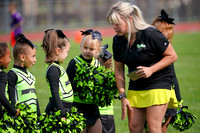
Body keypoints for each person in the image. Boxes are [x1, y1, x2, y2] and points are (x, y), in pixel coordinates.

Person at [106, 2, 178, 133]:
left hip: (159, 83)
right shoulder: (117, 40)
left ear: (130, 19)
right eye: (112, 24)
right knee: (134, 128)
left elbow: (172, 56)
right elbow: (119, 69)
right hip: (136, 86)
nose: (114, 27)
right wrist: (122, 96)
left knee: (153, 127)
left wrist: (151, 69)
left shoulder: (150, 34)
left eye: (117, 23)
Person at [152, 9, 182, 133]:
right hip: (151, 94)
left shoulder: (168, 56)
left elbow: (173, 76)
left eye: (168, 41)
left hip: (168, 95)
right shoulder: (149, 53)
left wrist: (179, 99)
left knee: (161, 128)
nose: (167, 44)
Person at [66, 29, 102, 133]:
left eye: (91, 49)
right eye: (85, 47)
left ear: (98, 50)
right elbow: (66, 85)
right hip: (78, 107)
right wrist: (80, 85)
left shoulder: (98, 64)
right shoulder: (74, 63)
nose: (87, 51)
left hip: (93, 107)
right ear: (81, 46)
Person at [41, 29, 73, 117]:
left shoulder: (57, 67)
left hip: (65, 107)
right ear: (58, 51)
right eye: (66, 52)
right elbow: (55, 93)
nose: (67, 55)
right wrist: (62, 113)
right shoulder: (53, 70)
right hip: (59, 109)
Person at [7, 34, 40, 116]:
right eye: (33, 56)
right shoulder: (12, 75)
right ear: (22, 57)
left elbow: (35, 99)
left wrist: (39, 117)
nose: (35, 60)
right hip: (20, 123)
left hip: (32, 121)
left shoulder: (31, 76)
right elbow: (11, 99)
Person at [98, 44, 115, 133]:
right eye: (108, 59)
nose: (111, 61)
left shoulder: (104, 75)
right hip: (106, 114)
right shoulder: (107, 76)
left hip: (104, 114)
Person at [0, 42, 20, 119]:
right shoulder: (2, 75)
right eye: (8, 57)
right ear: (0, 58)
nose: (10, 60)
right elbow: (1, 95)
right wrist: (13, 111)